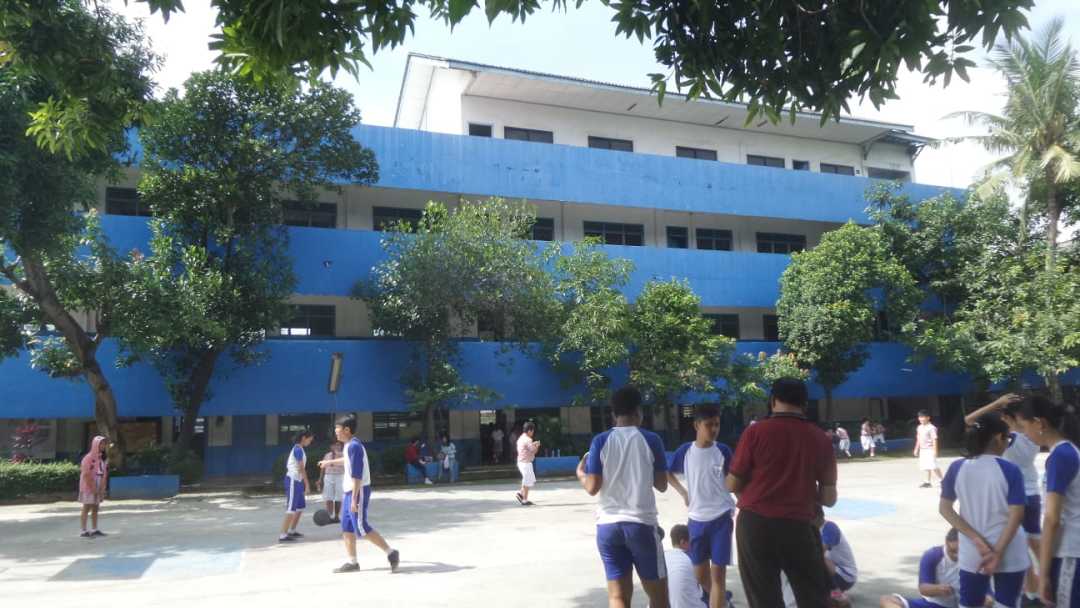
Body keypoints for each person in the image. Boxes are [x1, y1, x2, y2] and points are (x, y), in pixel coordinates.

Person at [726, 377, 838, 608]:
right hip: (798, 526)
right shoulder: (820, 438)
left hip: (755, 524)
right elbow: (829, 499)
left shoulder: (755, 432)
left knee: (763, 599)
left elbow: (732, 485)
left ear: (773, 400)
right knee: (812, 597)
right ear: (804, 404)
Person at [577, 385, 671, 608]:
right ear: (639, 411)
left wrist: (580, 473)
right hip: (641, 526)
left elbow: (592, 488)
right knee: (659, 598)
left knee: (618, 597)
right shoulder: (651, 440)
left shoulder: (600, 441)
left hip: (608, 527)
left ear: (613, 413)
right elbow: (662, 485)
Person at [938, 414, 1029, 608]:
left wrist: (977, 540)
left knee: (969, 604)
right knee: (1007, 604)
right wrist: (997, 553)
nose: (1008, 443)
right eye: (1008, 438)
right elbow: (1017, 515)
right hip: (1010, 550)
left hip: (973, 551)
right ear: (998, 438)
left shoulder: (957, 468)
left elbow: (945, 508)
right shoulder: (1010, 469)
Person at [965, 393, 1042, 604]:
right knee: (1035, 547)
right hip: (1032, 494)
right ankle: (1038, 591)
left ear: (1008, 418)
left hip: (1011, 498)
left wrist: (996, 403)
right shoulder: (1034, 435)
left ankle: (1035, 592)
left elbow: (969, 420)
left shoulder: (1007, 439)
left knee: (1019, 548)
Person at [668, 405, 735, 608]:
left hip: (721, 518)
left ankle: (719, 601)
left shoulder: (723, 451)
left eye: (717, 424)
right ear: (697, 425)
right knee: (699, 574)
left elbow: (734, 480)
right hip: (696, 520)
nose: (714, 429)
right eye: (709, 425)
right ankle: (723, 602)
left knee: (718, 576)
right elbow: (667, 473)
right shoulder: (685, 451)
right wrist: (683, 492)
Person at [1015, 395, 1080, 607]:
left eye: (1024, 427)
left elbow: (1052, 518)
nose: (1024, 434)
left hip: (1070, 551)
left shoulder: (1060, 456)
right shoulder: (1069, 451)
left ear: (1039, 423)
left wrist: (1042, 575)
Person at [319, 414, 400, 574]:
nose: (335, 431)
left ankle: (391, 553)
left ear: (347, 430)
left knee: (361, 527)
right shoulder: (349, 445)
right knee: (346, 527)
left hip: (358, 490)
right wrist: (329, 462)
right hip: (350, 491)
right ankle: (353, 562)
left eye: (337, 428)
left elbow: (357, 476)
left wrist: (354, 500)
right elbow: (347, 460)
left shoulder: (354, 446)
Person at [878, 528, 962, 608]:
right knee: (887, 600)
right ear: (946, 542)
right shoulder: (933, 555)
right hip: (934, 604)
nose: (957, 556)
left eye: (961, 552)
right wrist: (938, 589)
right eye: (953, 551)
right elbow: (923, 588)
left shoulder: (968, 560)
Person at [815, 506, 858, 604]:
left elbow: (818, 553)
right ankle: (835, 594)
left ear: (817, 517)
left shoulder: (830, 528)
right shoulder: (816, 529)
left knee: (818, 557)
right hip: (835, 570)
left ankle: (838, 595)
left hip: (846, 575)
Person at [279, 430, 314, 543]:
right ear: (304, 438)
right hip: (293, 480)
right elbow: (301, 468)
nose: (310, 442)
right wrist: (307, 484)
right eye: (309, 439)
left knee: (300, 507)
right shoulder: (298, 449)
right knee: (291, 508)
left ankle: (292, 530)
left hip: (297, 481)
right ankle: (283, 535)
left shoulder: (300, 449)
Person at [667, 524, 708, 608]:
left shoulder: (664, 557)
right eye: (691, 541)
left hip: (663, 603)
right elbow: (706, 584)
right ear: (683, 542)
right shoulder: (693, 558)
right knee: (720, 593)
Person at [78, 435, 109, 538]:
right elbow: (86, 474)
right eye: (101, 444)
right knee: (86, 507)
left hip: (99, 482)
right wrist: (93, 487)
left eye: (104, 444)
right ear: (95, 445)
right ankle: (83, 530)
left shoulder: (102, 458)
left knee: (96, 507)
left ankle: (94, 529)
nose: (103, 446)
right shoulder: (88, 458)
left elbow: (104, 473)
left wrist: (102, 487)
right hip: (88, 484)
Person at [916, 410, 945, 488]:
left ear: (928, 418)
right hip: (923, 449)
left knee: (933, 466)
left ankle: (943, 481)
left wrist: (935, 451)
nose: (921, 419)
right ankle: (927, 482)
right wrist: (916, 448)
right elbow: (918, 438)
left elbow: (934, 439)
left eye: (923, 417)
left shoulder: (931, 428)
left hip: (930, 449)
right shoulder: (919, 427)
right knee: (925, 466)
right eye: (920, 417)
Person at [319, 441, 345, 523]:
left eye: (338, 445)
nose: (336, 447)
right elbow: (323, 468)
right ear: (331, 446)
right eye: (334, 445)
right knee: (328, 497)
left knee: (338, 497)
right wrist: (320, 479)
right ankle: (329, 516)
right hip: (328, 476)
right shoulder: (327, 455)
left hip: (340, 476)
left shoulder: (344, 455)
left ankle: (336, 516)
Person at [516, 421, 541, 505]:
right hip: (525, 462)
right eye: (532, 431)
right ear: (529, 431)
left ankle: (521, 494)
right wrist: (537, 446)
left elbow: (526, 448)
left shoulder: (521, 438)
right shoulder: (528, 439)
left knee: (528, 480)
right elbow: (533, 451)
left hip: (522, 462)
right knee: (527, 481)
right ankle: (524, 499)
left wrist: (533, 444)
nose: (533, 433)